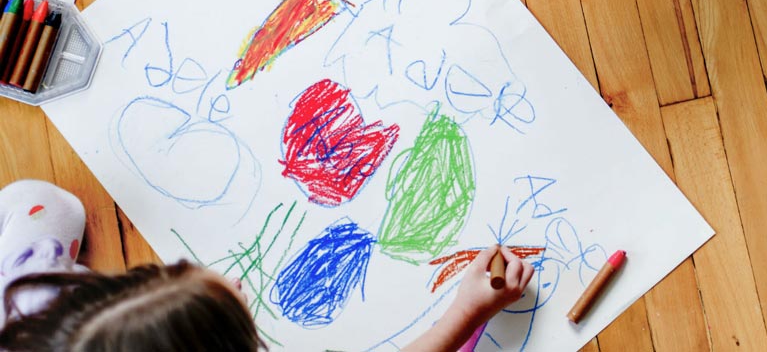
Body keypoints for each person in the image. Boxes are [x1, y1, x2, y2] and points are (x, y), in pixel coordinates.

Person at [0, 180, 533, 351]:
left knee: (45, 205)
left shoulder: (32, 292)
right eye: (240, 310)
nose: (236, 279)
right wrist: (463, 312)